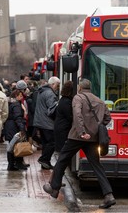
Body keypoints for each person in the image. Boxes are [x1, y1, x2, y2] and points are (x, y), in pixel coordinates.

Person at [43, 78, 116, 209]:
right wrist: (95, 128)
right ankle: (109, 195)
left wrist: (82, 131)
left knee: (62, 160)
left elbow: (77, 115)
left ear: (80, 88)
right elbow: (108, 118)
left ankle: (54, 189)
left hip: (77, 136)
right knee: (97, 166)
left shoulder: (78, 98)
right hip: (93, 139)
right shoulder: (99, 101)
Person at [33, 76, 60, 169]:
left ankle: (45, 164)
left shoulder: (42, 91)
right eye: (57, 85)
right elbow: (52, 109)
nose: (58, 87)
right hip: (47, 122)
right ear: (52, 84)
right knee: (52, 142)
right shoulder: (50, 94)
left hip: (40, 121)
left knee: (45, 143)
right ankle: (44, 159)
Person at [4, 89, 27, 171]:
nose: (22, 97)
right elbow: (18, 117)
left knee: (11, 145)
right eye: (20, 96)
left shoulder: (10, 103)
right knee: (15, 146)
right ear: (16, 96)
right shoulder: (16, 105)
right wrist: (22, 128)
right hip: (14, 127)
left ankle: (12, 164)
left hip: (9, 127)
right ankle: (14, 164)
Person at [54, 80, 73, 158]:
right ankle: (59, 169)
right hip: (63, 129)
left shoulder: (63, 100)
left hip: (60, 128)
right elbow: (69, 116)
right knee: (63, 152)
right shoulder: (66, 102)